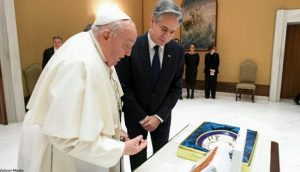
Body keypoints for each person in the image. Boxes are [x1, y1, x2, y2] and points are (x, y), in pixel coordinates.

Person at [18, 8, 147, 172]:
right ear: (106, 36)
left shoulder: (97, 49)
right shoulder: (79, 64)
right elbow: (67, 139)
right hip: (64, 160)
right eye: (126, 46)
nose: (128, 53)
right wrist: (121, 149)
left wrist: (114, 129)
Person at [115, 0, 184, 170]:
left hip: (162, 118)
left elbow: (175, 89)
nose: (167, 36)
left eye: (172, 32)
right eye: (164, 29)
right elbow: (124, 87)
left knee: (161, 159)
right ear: (152, 21)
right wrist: (143, 117)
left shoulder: (177, 51)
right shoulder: (132, 45)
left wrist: (159, 116)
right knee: (138, 162)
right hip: (135, 118)